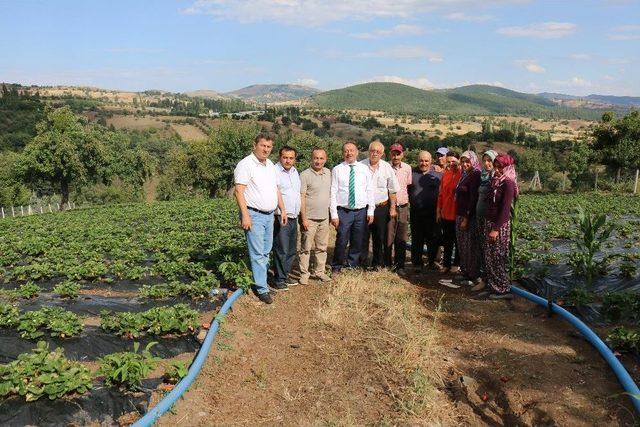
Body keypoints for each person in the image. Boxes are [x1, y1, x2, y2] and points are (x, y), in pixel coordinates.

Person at [234, 134, 287, 304]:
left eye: (269, 147)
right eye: (263, 146)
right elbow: (239, 191)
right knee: (257, 254)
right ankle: (262, 289)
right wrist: (245, 215)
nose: (266, 149)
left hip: (269, 215)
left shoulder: (270, 165)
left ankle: (261, 282)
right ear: (255, 145)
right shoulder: (246, 165)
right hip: (254, 215)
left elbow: (276, 189)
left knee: (265, 251)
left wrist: (282, 209)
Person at [330, 142, 374, 273]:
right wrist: (334, 214)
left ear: (357, 152)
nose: (349, 153)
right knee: (342, 240)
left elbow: (369, 190)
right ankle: (336, 266)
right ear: (343, 153)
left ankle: (351, 266)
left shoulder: (364, 169)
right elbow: (333, 192)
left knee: (357, 240)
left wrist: (371, 210)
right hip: (344, 211)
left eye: (352, 150)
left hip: (361, 211)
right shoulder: (337, 169)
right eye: (346, 151)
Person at [481, 153, 519, 299]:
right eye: (496, 167)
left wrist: (495, 229)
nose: (497, 170)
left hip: (499, 226)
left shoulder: (508, 183)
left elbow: (504, 209)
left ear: (507, 167)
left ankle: (502, 289)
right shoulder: (496, 180)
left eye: (500, 167)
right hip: (489, 222)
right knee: (489, 256)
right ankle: (493, 286)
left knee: (497, 257)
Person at [359, 140, 399, 269]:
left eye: (378, 151)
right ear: (368, 151)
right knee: (363, 236)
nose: (375, 153)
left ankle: (377, 263)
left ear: (382, 154)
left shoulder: (387, 168)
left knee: (379, 237)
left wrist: (392, 208)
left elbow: (392, 190)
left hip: (381, 207)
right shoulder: (360, 166)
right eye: (372, 150)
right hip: (364, 208)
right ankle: (362, 263)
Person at [298, 148, 332, 285]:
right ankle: (304, 274)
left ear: (325, 159)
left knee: (322, 247)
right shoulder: (304, 175)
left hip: (324, 218)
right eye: (316, 158)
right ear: (311, 159)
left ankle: (319, 272)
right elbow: (302, 197)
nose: (318, 161)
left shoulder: (329, 173)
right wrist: (304, 218)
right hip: (309, 218)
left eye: (321, 158)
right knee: (305, 248)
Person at [271, 146, 301, 292]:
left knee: (291, 249)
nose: (288, 160)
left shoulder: (295, 172)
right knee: (281, 248)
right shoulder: (275, 171)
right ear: (280, 157)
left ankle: (285, 274)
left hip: (293, 216)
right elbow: (276, 193)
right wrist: (282, 211)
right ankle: (279, 279)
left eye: (291, 158)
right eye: (285, 157)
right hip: (280, 216)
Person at [409, 151, 441, 271]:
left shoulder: (438, 175)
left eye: (426, 161)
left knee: (433, 238)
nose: (424, 163)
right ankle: (417, 263)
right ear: (418, 161)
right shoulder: (411, 174)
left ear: (431, 161)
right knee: (417, 238)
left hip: (433, 213)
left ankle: (433, 262)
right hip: (416, 213)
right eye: (421, 160)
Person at [454, 150, 482, 286]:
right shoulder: (465, 174)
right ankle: (465, 271)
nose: (465, 164)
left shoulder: (475, 175)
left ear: (474, 161)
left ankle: (472, 274)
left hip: (468, 217)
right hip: (460, 214)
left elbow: (473, 199)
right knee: (462, 245)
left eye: (467, 161)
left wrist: (466, 218)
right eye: (463, 161)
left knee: (470, 246)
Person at [471, 150, 498, 292]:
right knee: (482, 250)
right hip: (480, 219)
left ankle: (492, 283)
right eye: (485, 160)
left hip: (490, 222)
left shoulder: (496, 178)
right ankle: (484, 280)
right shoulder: (483, 176)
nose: (487, 163)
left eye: (490, 161)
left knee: (491, 252)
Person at [386, 143, 412, 273]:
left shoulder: (407, 168)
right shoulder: (385, 167)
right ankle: (387, 264)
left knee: (401, 237)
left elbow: (408, 186)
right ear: (390, 154)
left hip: (403, 206)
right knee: (388, 236)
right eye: (393, 154)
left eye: (398, 154)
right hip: (389, 207)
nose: (396, 156)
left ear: (402, 154)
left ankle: (400, 265)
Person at [436, 151, 462, 273]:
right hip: (446, 212)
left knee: (458, 241)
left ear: (459, 161)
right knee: (447, 240)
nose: (451, 164)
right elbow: (441, 195)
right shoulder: (446, 174)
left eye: (454, 162)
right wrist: (438, 210)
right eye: (449, 161)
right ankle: (446, 264)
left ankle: (456, 264)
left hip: (457, 213)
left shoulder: (463, 175)